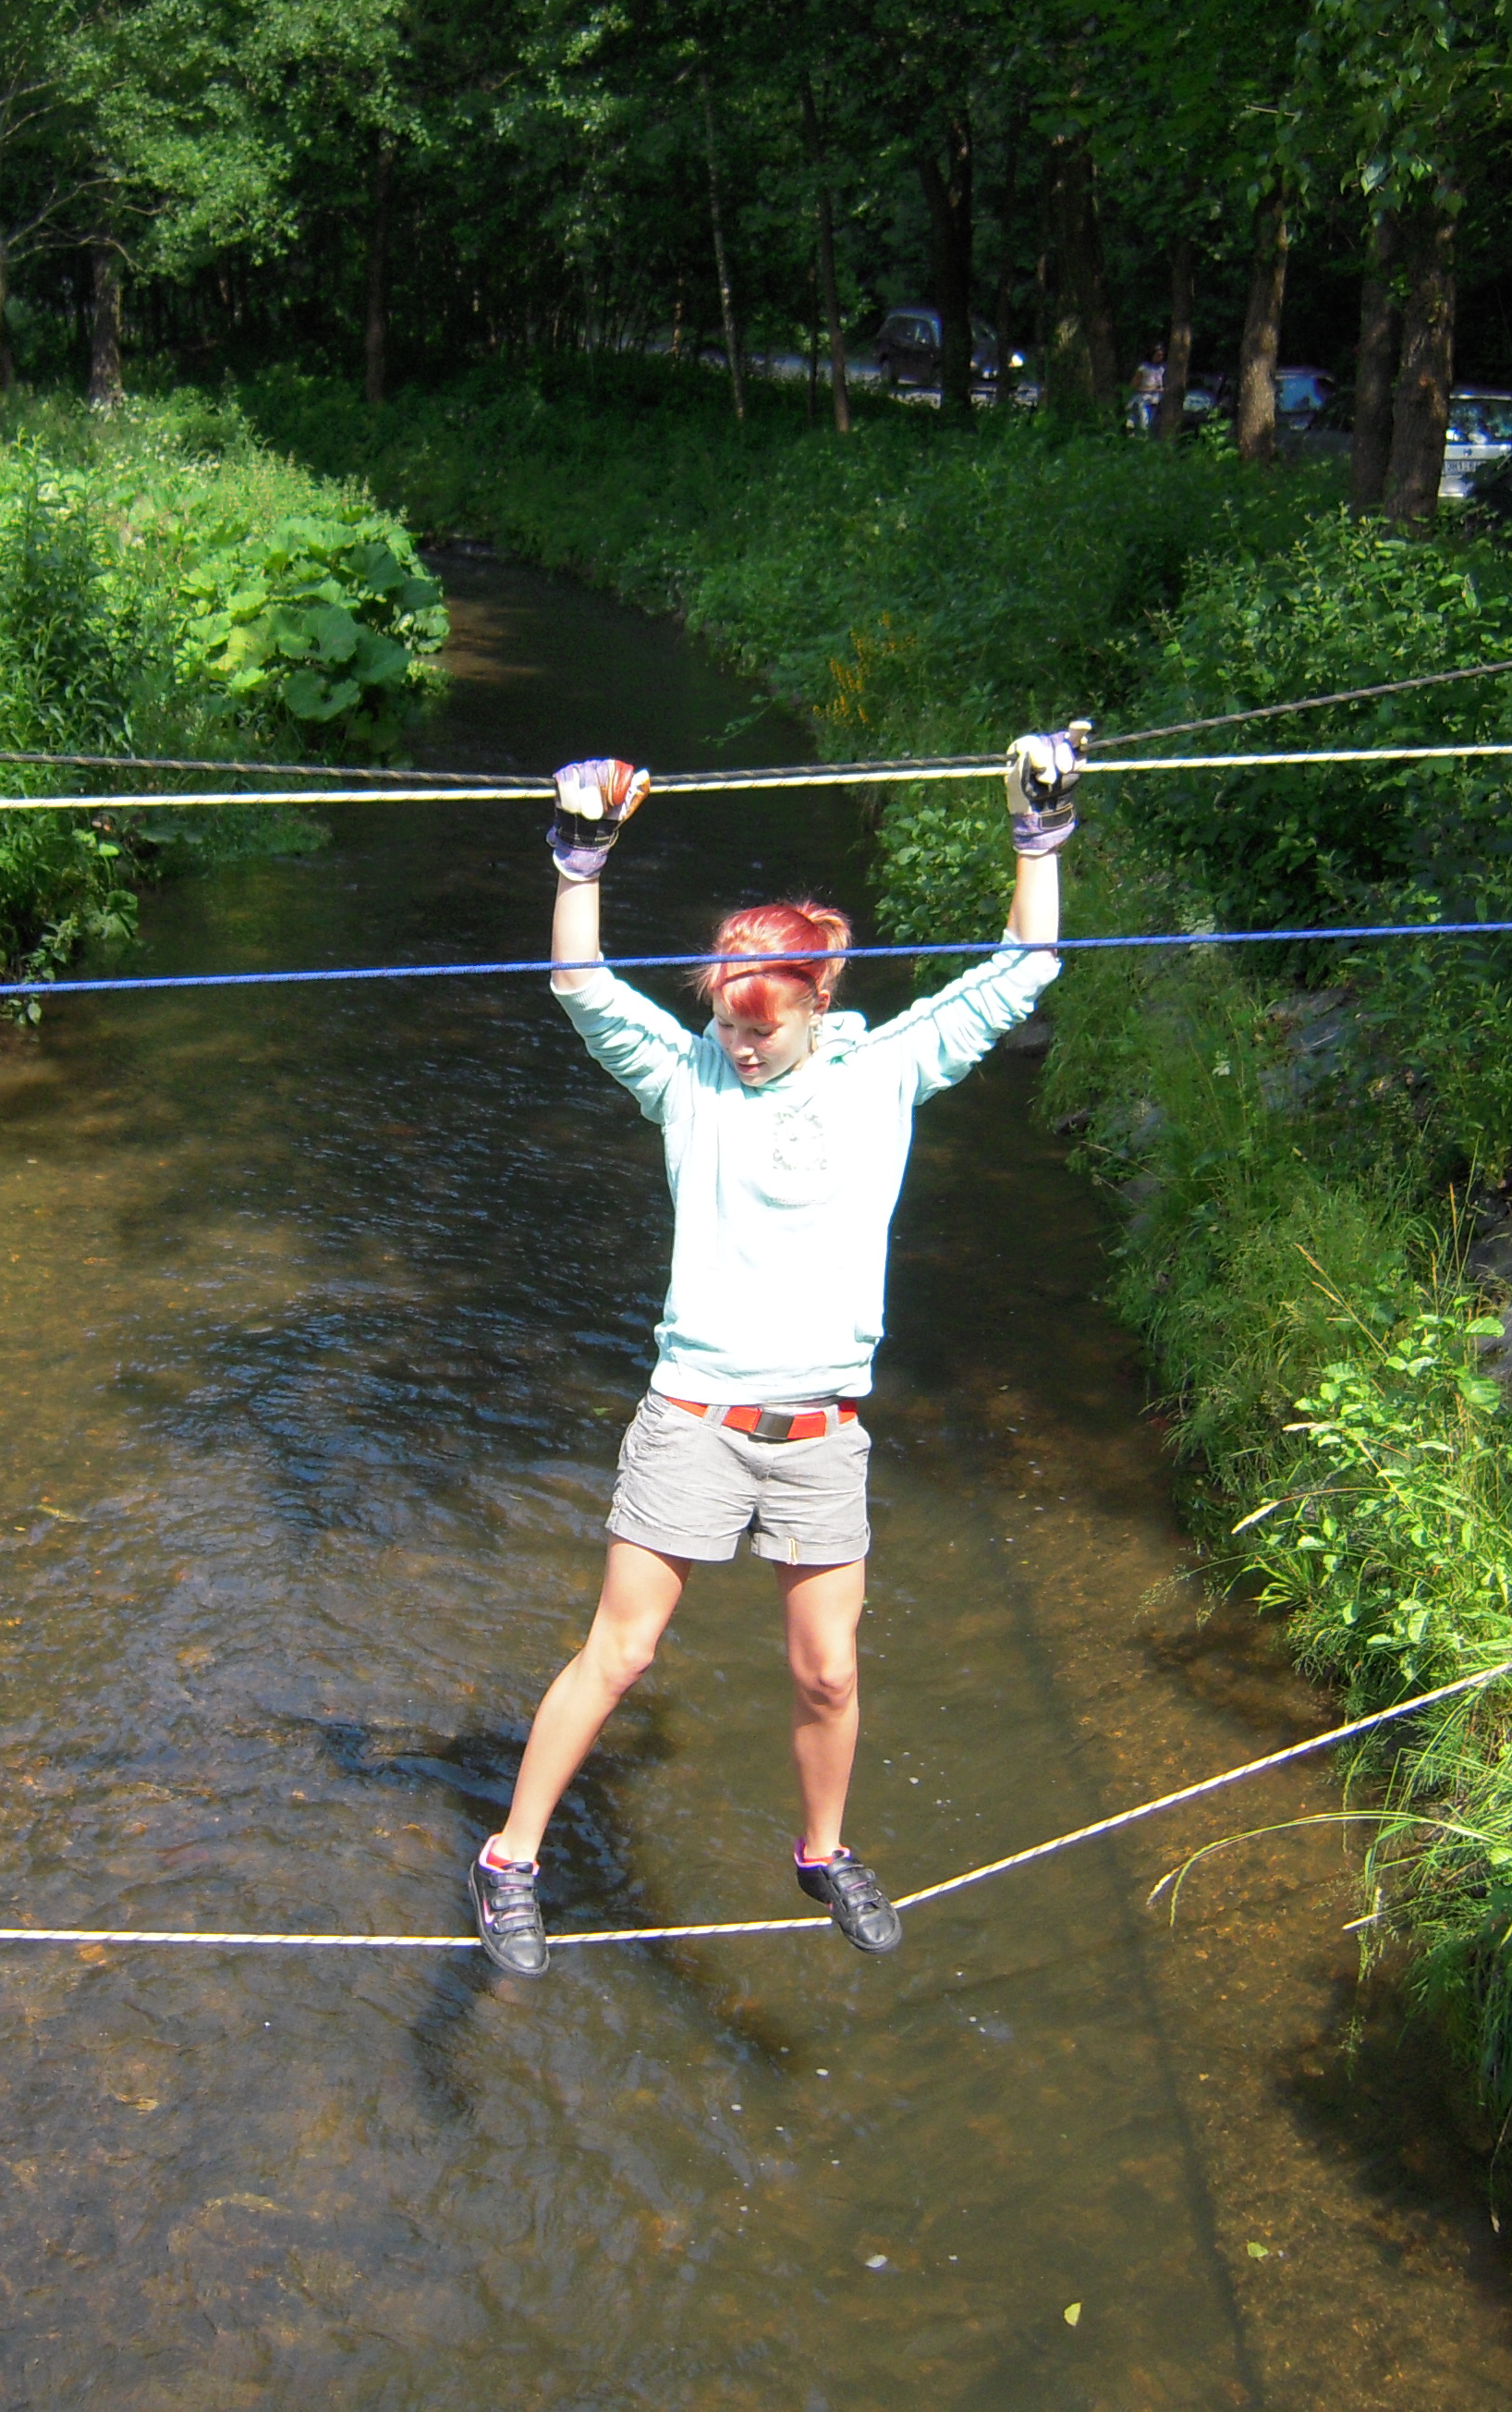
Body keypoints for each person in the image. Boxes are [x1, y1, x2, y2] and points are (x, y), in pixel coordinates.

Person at [467, 726, 1089, 1977]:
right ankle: (509, 1861)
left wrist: (1040, 837)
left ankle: (823, 1851)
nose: (742, 1047)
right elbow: (582, 984)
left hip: (820, 1433)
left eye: (764, 1026)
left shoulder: (884, 1073)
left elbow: (1025, 966)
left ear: (817, 1001)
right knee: (623, 1652)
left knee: (829, 1674)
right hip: (695, 1417)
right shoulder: (685, 1079)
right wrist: (580, 857)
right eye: (729, 1023)